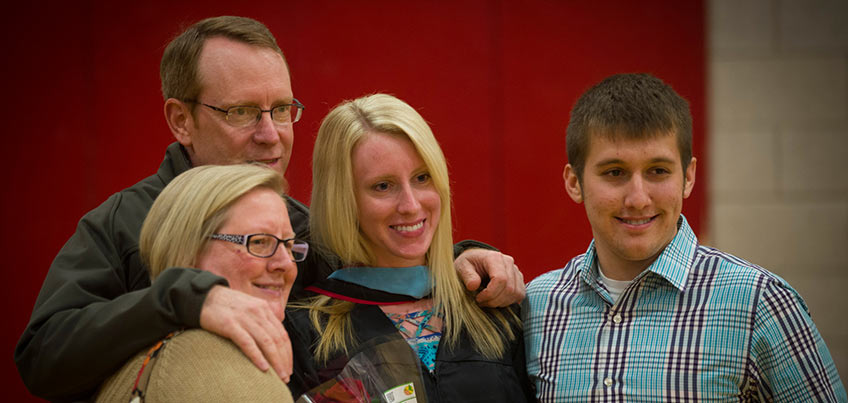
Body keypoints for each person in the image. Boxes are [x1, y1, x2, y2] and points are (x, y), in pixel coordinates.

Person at [15, 16, 525, 401]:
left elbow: (377, 266)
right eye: (241, 111)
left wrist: (462, 258)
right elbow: (43, 355)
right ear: (181, 120)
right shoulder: (123, 223)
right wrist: (182, 299)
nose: (271, 133)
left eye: (281, 109)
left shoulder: (301, 225)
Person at [523, 73, 846, 401]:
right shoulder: (538, 306)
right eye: (614, 172)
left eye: (658, 171)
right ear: (574, 182)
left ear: (688, 177)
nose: (638, 198)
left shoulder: (760, 303)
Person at [285, 93, 533, 401]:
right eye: (383, 186)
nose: (411, 205)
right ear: (343, 200)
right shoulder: (306, 332)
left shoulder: (493, 307)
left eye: (421, 177)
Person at [97, 164, 298, 402]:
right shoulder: (215, 370)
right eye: (259, 242)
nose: (285, 263)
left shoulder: (136, 360)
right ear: (188, 252)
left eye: (289, 245)